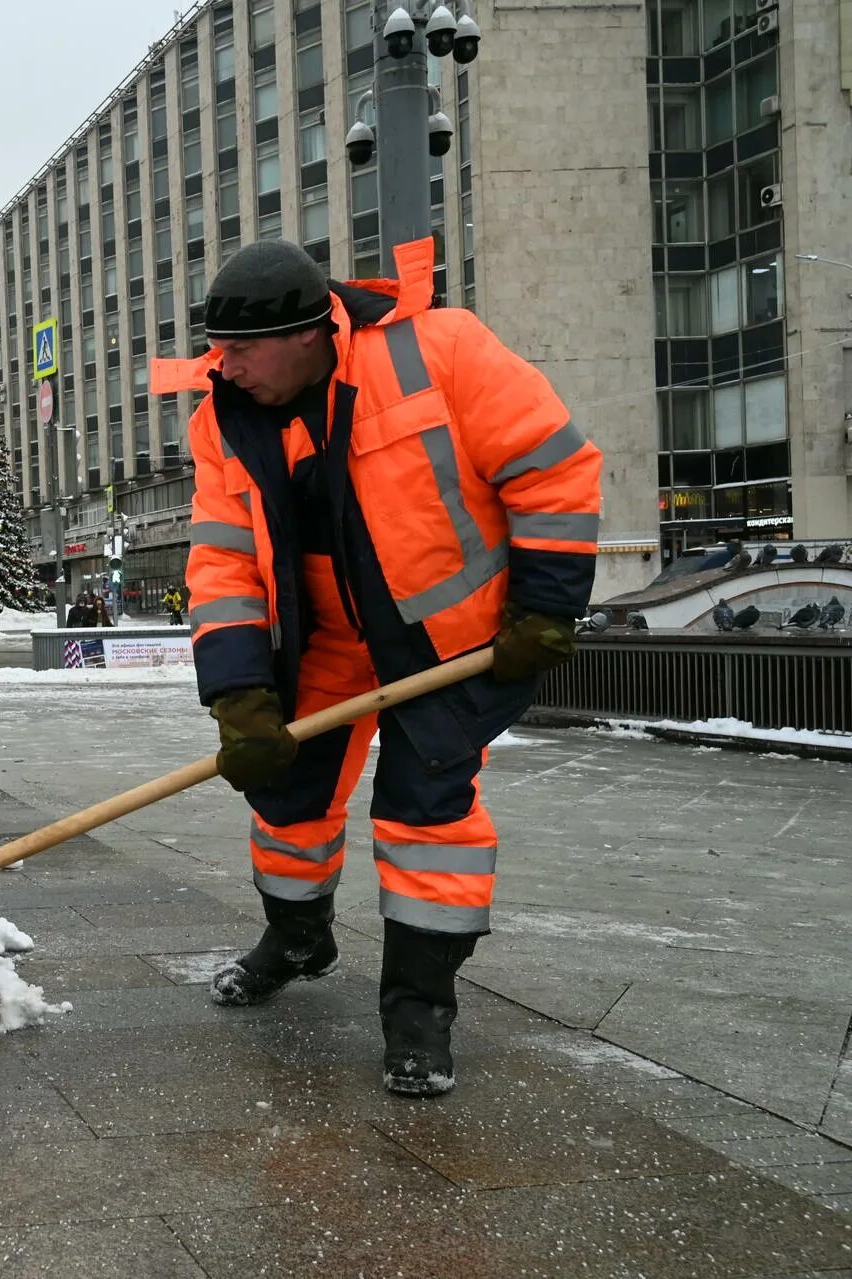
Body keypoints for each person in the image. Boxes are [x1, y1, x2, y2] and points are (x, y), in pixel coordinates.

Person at [151, 237, 601, 1098]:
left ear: (312, 332)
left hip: (450, 640)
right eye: (218, 348)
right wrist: (241, 692)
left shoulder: (442, 349)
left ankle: (419, 1011)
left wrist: (544, 609)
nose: (224, 365)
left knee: (426, 811)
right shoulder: (222, 420)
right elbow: (224, 558)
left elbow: (553, 466)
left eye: (242, 349)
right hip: (321, 637)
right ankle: (297, 936)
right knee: (286, 796)